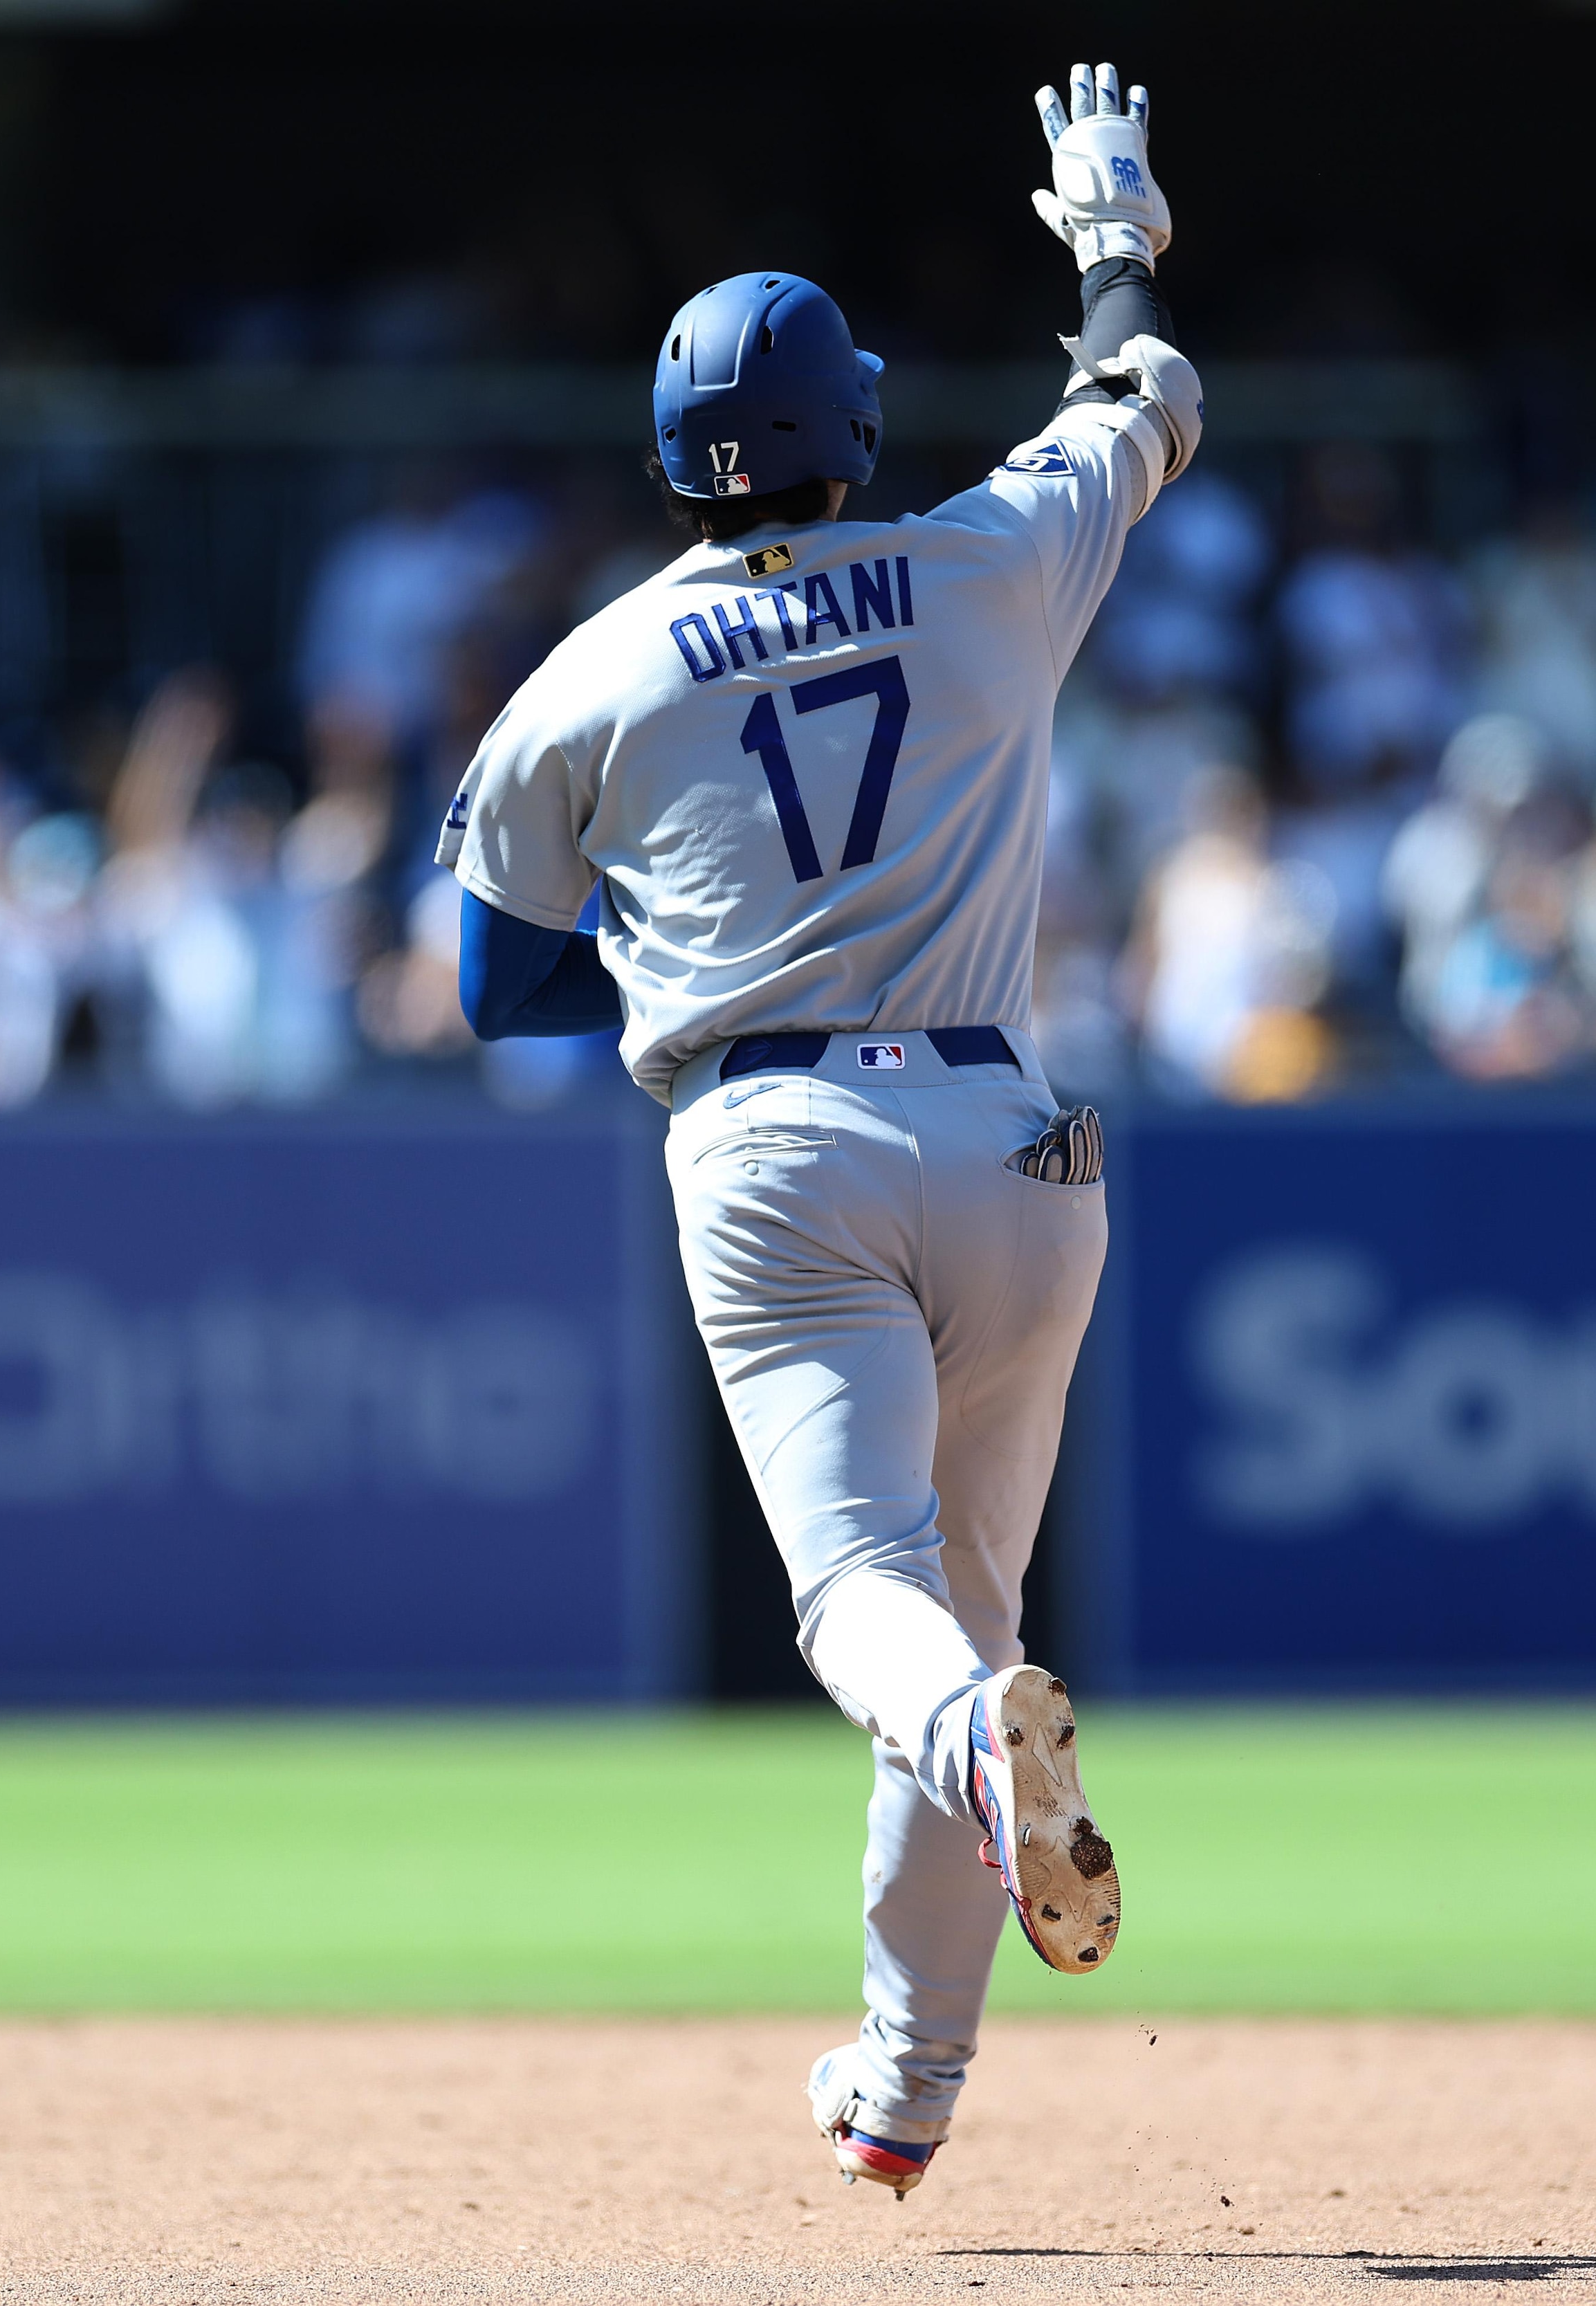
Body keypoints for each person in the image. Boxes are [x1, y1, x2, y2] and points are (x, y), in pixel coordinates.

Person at [438, 63, 1193, 2197]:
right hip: (1012, 1130)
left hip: (773, 1141)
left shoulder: (585, 674)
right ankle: (906, 2084)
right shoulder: (987, 560)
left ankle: (973, 1742)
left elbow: (496, 982)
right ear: (853, 425)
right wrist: (1112, 235)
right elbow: (1147, 396)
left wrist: (692, 975)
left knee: (882, 1608)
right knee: (965, 1588)